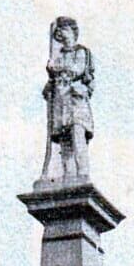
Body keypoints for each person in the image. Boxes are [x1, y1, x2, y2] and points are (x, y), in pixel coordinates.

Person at [40, 17, 94, 182]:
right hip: (60, 102)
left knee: (77, 134)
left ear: (71, 31)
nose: (61, 35)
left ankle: (82, 174)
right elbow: (51, 83)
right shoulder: (58, 56)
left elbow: (76, 70)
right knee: (65, 141)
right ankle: (69, 175)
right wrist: (50, 82)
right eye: (58, 33)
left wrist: (55, 68)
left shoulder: (81, 52)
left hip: (75, 101)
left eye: (63, 30)